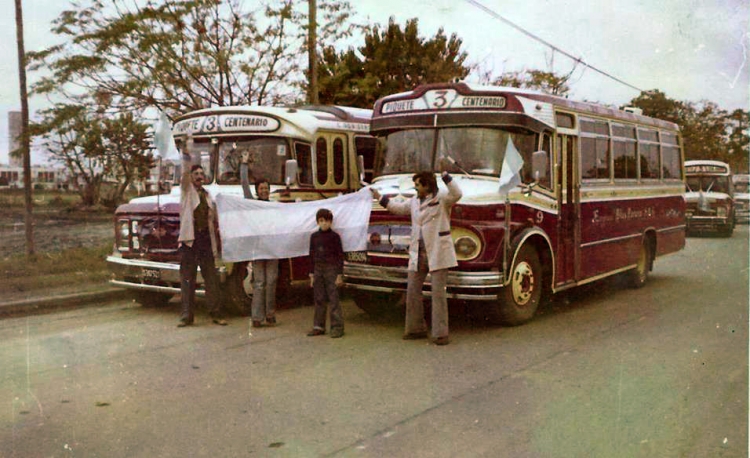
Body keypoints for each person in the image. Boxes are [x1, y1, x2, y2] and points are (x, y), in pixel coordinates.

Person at [370, 167, 462, 345]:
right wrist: (379, 197)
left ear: (428, 186)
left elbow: (457, 193)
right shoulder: (413, 201)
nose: (415, 188)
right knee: (412, 289)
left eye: (418, 185)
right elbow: (397, 208)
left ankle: (440, 333)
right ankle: (415, 328)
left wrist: (445, 175)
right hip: (418, 251)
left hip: (437, 251)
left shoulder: (442, 198)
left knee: (437, 293)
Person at [177, 144, 228, 327]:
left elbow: (213, 220)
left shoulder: (208, 196)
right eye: (195, 174)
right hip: (190, 242)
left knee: (211, 279)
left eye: (201, 174)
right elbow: (183, 175)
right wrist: (186, 156)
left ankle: (216, 313)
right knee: (188, 280)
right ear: (190, 178)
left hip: (205, 241)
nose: (199, 177)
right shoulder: (186, 192)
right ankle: (186, 316)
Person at [240, 152, 279, 328]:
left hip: (271, 250)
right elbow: (244, 185)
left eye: (266, 188)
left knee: (271, 282)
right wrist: (244, 165)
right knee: (259, 283)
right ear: (257, 191)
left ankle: (270, 314)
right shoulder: (251, 203)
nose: (264, 191)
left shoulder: (274, 206)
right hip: (257, 250)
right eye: (261, 188)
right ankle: (256, 317)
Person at [306, 208, 345, 338]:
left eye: (327, 221)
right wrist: (311, 274)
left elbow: (340, 256)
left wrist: (339, 275)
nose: (324, 223)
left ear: (331, 222)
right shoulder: (314, 237)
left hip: (331, 269)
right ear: (317, 222)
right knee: (319, 298)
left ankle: (337, 327)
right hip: (318, 269)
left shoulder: (335, 237)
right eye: (321, 221)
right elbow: (311, 255)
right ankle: (318, 326)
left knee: (333, 298)